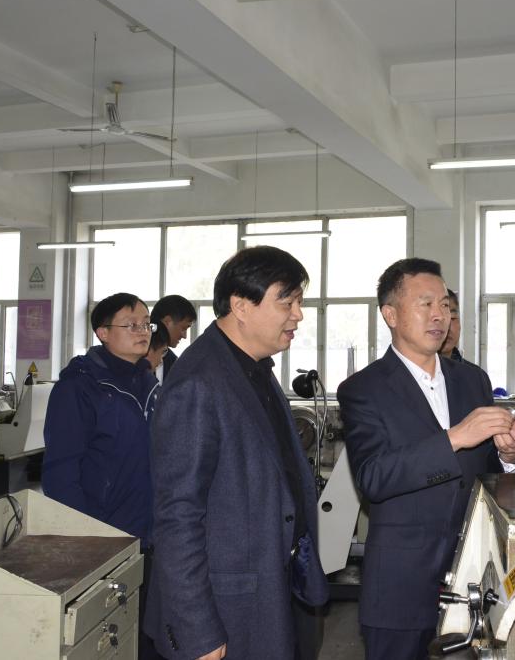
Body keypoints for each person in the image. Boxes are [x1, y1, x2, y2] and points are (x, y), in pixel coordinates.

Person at [338, 258, 515, 660]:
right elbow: (373, 477)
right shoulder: (363, 389)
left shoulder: (472, 380)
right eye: (425, 304)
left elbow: (489, 476)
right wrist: (455, 438)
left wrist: (509, 455)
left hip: (473, 579)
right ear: (390, 315)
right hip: (401, 584)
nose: (439, 315)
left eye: (445, 305)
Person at [145, 246, 328, 660]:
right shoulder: (199, 382)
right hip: (225, 609)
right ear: (241, 305)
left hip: (270, 586)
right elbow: (178, 516)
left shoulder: (253, 369)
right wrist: (198, 630)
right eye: (287, 302)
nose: (298, 315)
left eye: (299, 302)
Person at [41, 293, 162, 659]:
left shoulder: (149, 383)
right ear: (103, 332)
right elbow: (61, 471)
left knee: (145, 632)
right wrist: (86, 539)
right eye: (131, 324)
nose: (142, 331)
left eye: (146, 323)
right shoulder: (79, 387)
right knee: (110, 635)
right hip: (105, 534)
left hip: (149, 531)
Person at [150, 295, 196, 374]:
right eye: (184, 328)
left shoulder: (173, 362)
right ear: (167, 321)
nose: (184, 336)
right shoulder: (134, 356)